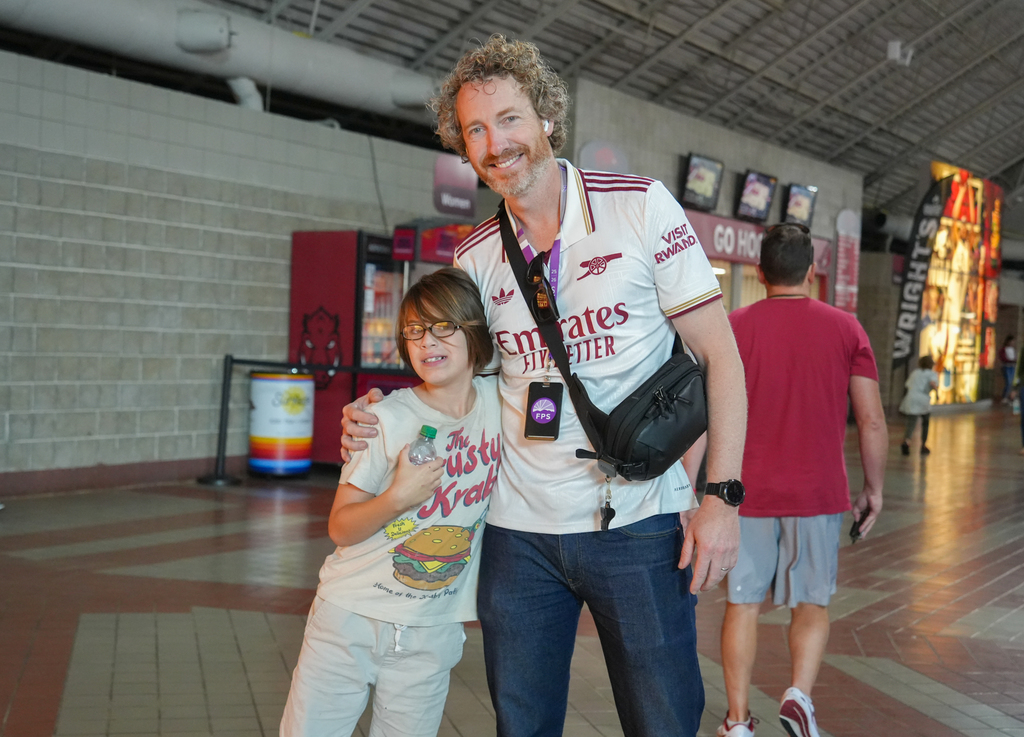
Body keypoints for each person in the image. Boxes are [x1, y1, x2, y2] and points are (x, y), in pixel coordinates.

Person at [342, 34, 746, 737]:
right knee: (522, 725)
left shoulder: (640, 208)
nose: (495, 144)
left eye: (509, 119)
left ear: (547, 119)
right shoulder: (473, 258)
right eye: (474, 130)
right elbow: (446, 377)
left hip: (641, 524)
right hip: (518, 536)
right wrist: (379, 413)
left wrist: (721, 497)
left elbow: (723, 358)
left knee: (665, 720)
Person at [281, 268, 501, 737]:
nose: (428, 341)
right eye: (416, 330)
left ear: (474, 331)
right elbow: (340, 527)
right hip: (350, 617)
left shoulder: (503, 402)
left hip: (431, 628)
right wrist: (399, 497)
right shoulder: (385, 417)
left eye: (444, 326)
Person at [717, 223, 887, 737]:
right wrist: (873, 490)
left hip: (743, 495)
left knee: (742, 603)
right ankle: (798, 696)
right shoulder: (846, 329)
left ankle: (739, 720)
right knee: (811, 603)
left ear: (760, 271)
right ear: (811, 272)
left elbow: (706, 414)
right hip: (817, 494)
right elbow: (872, 420)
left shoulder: (733, 327)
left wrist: (695, 493)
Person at [899, 355, 938, 456]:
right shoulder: (931, 374)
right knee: (925, 423)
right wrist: (937, 393)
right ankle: (923, 445)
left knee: (911, 423)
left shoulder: (915, 373)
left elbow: (908, 385)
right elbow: (932, 383)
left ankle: (907, 442)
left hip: (911, 398)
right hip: (923, 399)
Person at [999, 335, 1016, 403]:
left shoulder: (1012, 349)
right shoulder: (1004, 349)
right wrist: (1011, 360)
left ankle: (1010, 397)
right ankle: (1005, 396)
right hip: (1006, 366)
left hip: (1012, 366)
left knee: (1011, 382)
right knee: (1008, 382)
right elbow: (1003, 358)